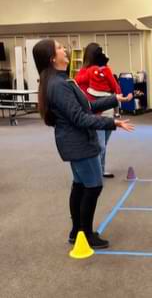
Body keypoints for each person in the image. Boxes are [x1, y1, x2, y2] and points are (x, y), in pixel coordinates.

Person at [32, 39, 134, 248]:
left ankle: (76, 231)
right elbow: (80, 118)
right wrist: (112, 122)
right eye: (60, 48)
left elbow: (86, 105)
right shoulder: (58, 85)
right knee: (93, 186)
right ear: (52, 58)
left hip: (76, 142)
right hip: (78, 144)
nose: (65, 50)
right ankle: (85, 234)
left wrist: (115, 99)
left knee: (80, 185)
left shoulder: (62, 81)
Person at [75, 43, 131, 178]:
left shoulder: (105, 69)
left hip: (108, 110)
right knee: (99, 144)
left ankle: (101, 168)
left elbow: (114, 85)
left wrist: (121, 97)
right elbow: (80, 89)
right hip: (95, 112)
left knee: (103, 143)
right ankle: (96, 171)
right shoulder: (84, 72)